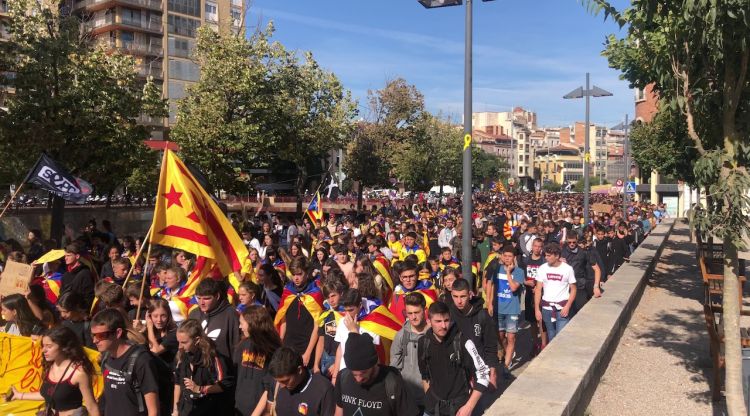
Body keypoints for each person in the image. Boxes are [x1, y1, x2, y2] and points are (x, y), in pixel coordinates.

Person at [8, 325, 100, 416]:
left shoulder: (79, 373)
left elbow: (91, 406)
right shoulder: (50, 366)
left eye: (49, 346)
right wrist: (20, 395)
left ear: (64, 347)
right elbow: (49, 394)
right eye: (43, 346)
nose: (43, 350)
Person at [418, 301, 490, 416]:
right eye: (438, 321)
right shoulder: (423, 343)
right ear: (429, 321)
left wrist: (469, 407)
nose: (443, 325)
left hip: (460, 410)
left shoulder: (464, 341)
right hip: (432, 409)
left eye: (446, 320)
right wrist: (429, 398)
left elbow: (484, 374)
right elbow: (425, 376)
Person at [92, 308, 161, 416]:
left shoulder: (141, 360)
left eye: (100, 335)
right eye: (93, 335)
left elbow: (154, 410)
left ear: (118, 333)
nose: (95, 340)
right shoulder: (106, 357)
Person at [334, 332, 420, 416]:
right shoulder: (343, 377)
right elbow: (339, 411)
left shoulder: (392, 381)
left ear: (374, 364)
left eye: (363, 373)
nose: (358, 379)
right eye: (354, 374)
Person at [173, 319, 234, 416]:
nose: (179, 346)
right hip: (186, 410)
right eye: (178, 341)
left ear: (197, 340)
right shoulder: (182, 355)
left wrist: (200, 389)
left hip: (208, 410)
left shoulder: (213, 358)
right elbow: (177, 383)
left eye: (184, 342)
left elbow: (225, 384)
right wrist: (175, 410)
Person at [449, 279, 499, 384]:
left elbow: (491, 347)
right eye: (455, 296)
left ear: (470, 294)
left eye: (462, 296)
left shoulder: (482, 316)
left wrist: (493, 374)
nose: (459, 301)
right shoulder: (448, 315)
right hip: (457, 372)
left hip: (479, 371)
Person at [234, 305, 281, 416]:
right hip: (239, 406)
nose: (240, 327)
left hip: (260, 409)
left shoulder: (273, 350)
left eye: (242, 323)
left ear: (253, 323)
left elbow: (270, 385)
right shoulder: (242, 345)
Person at [486, 245, 524, 374]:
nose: (507, 259)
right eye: (505, 256)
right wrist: (489, 302)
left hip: (512, 310)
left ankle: (506, 367)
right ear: (502, 256)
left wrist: (508, 272)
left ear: (514, 258)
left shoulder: (519, 272)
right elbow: (490, 285)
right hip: (498, 308)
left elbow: (513, 288)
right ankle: (508, 351)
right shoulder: (496, 268)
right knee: (500, 336)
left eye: (510, 256)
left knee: (511, 337)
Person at [276, 257, 321, 367]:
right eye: (293, 274)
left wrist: (308, 352)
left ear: (307, 273)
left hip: (306, 345)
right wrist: (281, 341)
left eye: (299, 274)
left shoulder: (315, 293)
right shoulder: (287, 291)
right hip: (288, 344)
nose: (296, 278)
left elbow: (317, 325)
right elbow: (283, 318)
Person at [265, 347, 336, 416]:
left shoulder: (323, 390)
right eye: (278, 381)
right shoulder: (280, 386)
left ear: (299, 370)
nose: (281, 386)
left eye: (286, 381)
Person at [331, 289, 381, 382]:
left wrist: (353, 331)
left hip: (363, 376)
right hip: (344, 375)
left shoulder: (372, 323)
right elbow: (340, 348)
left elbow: (370, 353)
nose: (348, 314)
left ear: (360, 305)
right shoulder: (342, 321)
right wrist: (335, 376)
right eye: (345, 310)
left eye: (351, 310)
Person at [187, 279, 240, 367]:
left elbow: (236, 346)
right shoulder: (194, 314)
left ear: (217, 296)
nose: (201, 303)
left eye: (206, 299)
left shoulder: (231, 315)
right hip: (198, 369)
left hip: (223, 370)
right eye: (198, 298)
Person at [390, 292, 429, 410]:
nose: (413, 317)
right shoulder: (401, 335)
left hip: (429, 398)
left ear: (425, 310)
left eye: (417, 312)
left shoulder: (434, 334)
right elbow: (394, 368)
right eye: (410, 313)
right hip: (407, 398)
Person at [534, 243, 577, 342]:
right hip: (546, 308)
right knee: (551, 335)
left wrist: (568, 306)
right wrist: (537, 309)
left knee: (561, 337)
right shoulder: (542, 268)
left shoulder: (567, 269)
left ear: (557, 256)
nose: (546, 257)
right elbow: (538, 290)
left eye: (549, 255)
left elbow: (573, 289)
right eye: (545, 255)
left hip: (562, 308)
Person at [520, 238, 547, 354]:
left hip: (541, 294)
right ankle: (535, 343)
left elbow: (547, 278)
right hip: (529, 294)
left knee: (541, 320)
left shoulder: (544, 262)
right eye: (535, 246)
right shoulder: (526, 261)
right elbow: (520, 276)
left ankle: (544, 344)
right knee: (532, 321)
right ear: (532, 247)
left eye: (539, 246)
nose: (537, 248)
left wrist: (539, 287)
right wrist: (526, 282)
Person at [314, 279, 345, 379]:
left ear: (341, 294)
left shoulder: (346, 315)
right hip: (325, 358)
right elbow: (321, 340)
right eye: (328, 297)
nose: (331, 300)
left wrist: (337, 364)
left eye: (333, 296)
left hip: (339, 361)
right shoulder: (325, 314)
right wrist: (316, 365)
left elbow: (347, 343)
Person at [145, 298, 179, 367]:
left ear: (168, 316)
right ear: (149, 316)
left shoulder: (174, 333)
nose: (159, 320)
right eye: (155, 316)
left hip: (167, 373)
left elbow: (155, 351)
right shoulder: (148, 331)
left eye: (163, 316)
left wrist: (149, 327)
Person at [60, 244, 95, 310]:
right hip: (66, 313)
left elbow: (89, 297)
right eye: (65, 256)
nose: (65, 258)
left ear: (77, 256)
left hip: (79, 314)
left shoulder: (85, 273)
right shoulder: (65, 276)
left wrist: (82, 312)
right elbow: (61, 294)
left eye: (68, 255)